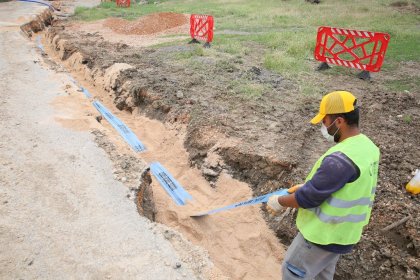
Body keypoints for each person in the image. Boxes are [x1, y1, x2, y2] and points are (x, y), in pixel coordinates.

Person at [267, 91, 380, 280]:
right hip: (344, 234)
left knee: (293, 272)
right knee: (321, 275)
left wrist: (279, 202)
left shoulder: (339, 160)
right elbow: (349, 183)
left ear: (339, 122)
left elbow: (307, 199)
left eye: (325, 121)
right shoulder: (368, 147)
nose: (323, 126)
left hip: (321, 236)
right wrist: (311, 185)